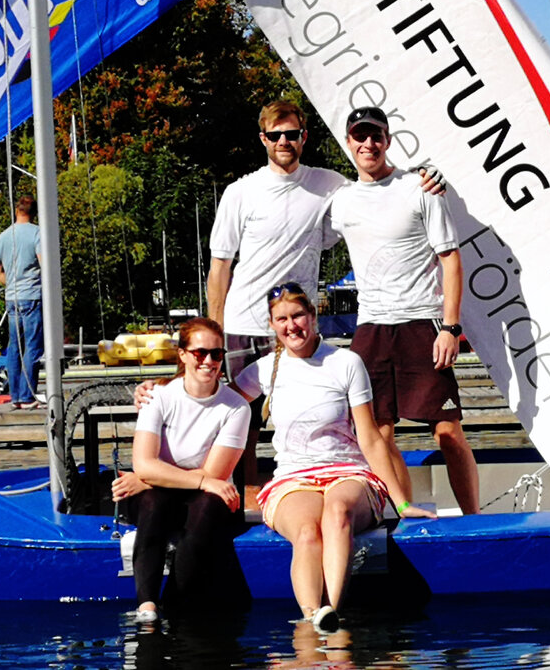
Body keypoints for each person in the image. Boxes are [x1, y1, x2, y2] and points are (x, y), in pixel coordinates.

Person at [233, 283, 435, 632]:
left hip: (348, 472)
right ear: (272, 324)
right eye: (281, 319)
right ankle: (314, 616)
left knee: (337, 513)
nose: (291, 325)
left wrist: (401, 504)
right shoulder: (263, 370)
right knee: (308, 533)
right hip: (294, 478)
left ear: (313, 317)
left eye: (298, 315)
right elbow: (210, 400)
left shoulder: (345, 362)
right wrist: (159, 391)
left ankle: (332, 613)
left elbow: (370, 438)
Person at [207, 101, 445, 383]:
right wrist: (214, 334)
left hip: (298, 329)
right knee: (244, 422)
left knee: (305, 419)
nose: (283, 141)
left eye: (292, 134)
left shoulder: (330, 184)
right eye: (275, 135)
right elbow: (219, 269)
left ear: (303, 137)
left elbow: (376, 188)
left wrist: (423, 174)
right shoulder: (240, 193)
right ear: (263, 139)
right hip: (244, 326)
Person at [325, 106, 480, 515]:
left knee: (447, 432)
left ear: (388, 140)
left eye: (375, 136)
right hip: (372, 326)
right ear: (349, 144)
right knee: (378, 432)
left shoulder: (420, 188)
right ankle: (407, 510)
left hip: (421, 322)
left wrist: (450, 327)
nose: (368, 144)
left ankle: (473, 519)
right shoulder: (339, 201)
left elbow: (451, 260)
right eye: (360, 137)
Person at [110, 317, 251, 622]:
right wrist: (150, 476)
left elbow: (214, 475)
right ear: (184, 354)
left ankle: (175, 604)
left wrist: (149, 478)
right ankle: (146, 604)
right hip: (164, 493)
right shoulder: (158, 395)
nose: (209, 361)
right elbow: (145, 463)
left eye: (217, 354)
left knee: (206, 508)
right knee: (153, 503)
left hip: (194, 495)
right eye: (200, 353)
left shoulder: (236, 407)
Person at [0, 195, 42, 408]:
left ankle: (16, 396)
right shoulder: (37, 233)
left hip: (12, 297)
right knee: (32, 346)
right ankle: (28, 395)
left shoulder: (4, 236)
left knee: (14, 347)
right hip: (32, 295)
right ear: (34, 212)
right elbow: (44, 263)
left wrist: (10, 281)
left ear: (16, 210)